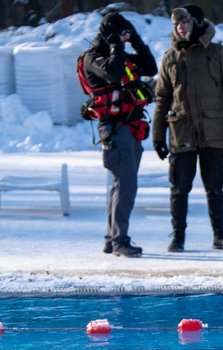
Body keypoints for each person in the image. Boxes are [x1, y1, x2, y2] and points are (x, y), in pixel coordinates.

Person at [152, 4, 223, 253]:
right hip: (181, 132)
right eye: (176, 25)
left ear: (196, 22)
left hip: (212, 131)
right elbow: (162, 98)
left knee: (215, 186)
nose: (180, 28)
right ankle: (178, 237)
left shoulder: (218, 54)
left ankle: (220, 235)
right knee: (179, 188)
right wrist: (158, 135)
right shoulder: (170, 58)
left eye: (184, 22)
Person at [79, 11, 157, 258]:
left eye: (126, 34)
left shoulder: (121, 54)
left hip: (132, 126)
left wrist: (136, 41)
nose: (124, 39)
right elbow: (112, 73)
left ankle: (111, 238)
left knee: (121, 184)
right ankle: (119, 240)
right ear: (109, 35)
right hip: (113, 127)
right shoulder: (93, 57)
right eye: (121, 34)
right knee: (125, 184)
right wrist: (114, 45)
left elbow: (150, 67)